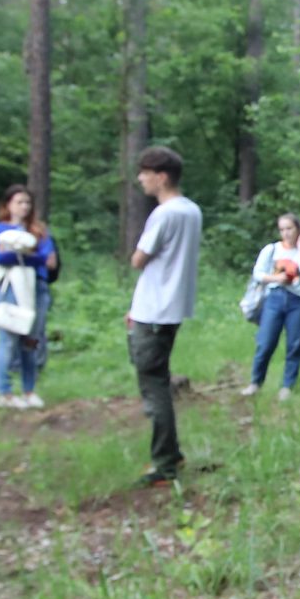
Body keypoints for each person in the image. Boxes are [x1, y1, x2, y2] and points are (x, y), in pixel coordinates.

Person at [126, 146, 202, 486]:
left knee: (154, 386)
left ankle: (165, 462)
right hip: (166, 310)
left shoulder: (165, 214)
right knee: (158, 379)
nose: (140, 178)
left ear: (162, 176)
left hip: (154, 311)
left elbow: (139, 259)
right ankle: (171, 454)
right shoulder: (192, 211)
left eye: (145, 172)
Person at [0, 184, 61, 409]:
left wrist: (22, 255)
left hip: (36, 287)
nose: (24, 207)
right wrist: (29, 256)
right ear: (8, 204)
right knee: (8, 341)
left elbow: (49, 260)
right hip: (9, 288)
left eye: (27, 202)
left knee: (32, 340)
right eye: (19, 202)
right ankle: (5, 392)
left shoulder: (39, 230)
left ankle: (29, 390)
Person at [243, 213, 300, 401]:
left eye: (290, 229)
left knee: (294, 344)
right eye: (282, 229)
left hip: (298, 302)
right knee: (265, 342)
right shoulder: (271, 250)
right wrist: (277, 278)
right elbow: (258, 274)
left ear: (298, 230)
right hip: (274, 298)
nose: (286, 233)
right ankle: (255, 382)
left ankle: (287, 386)